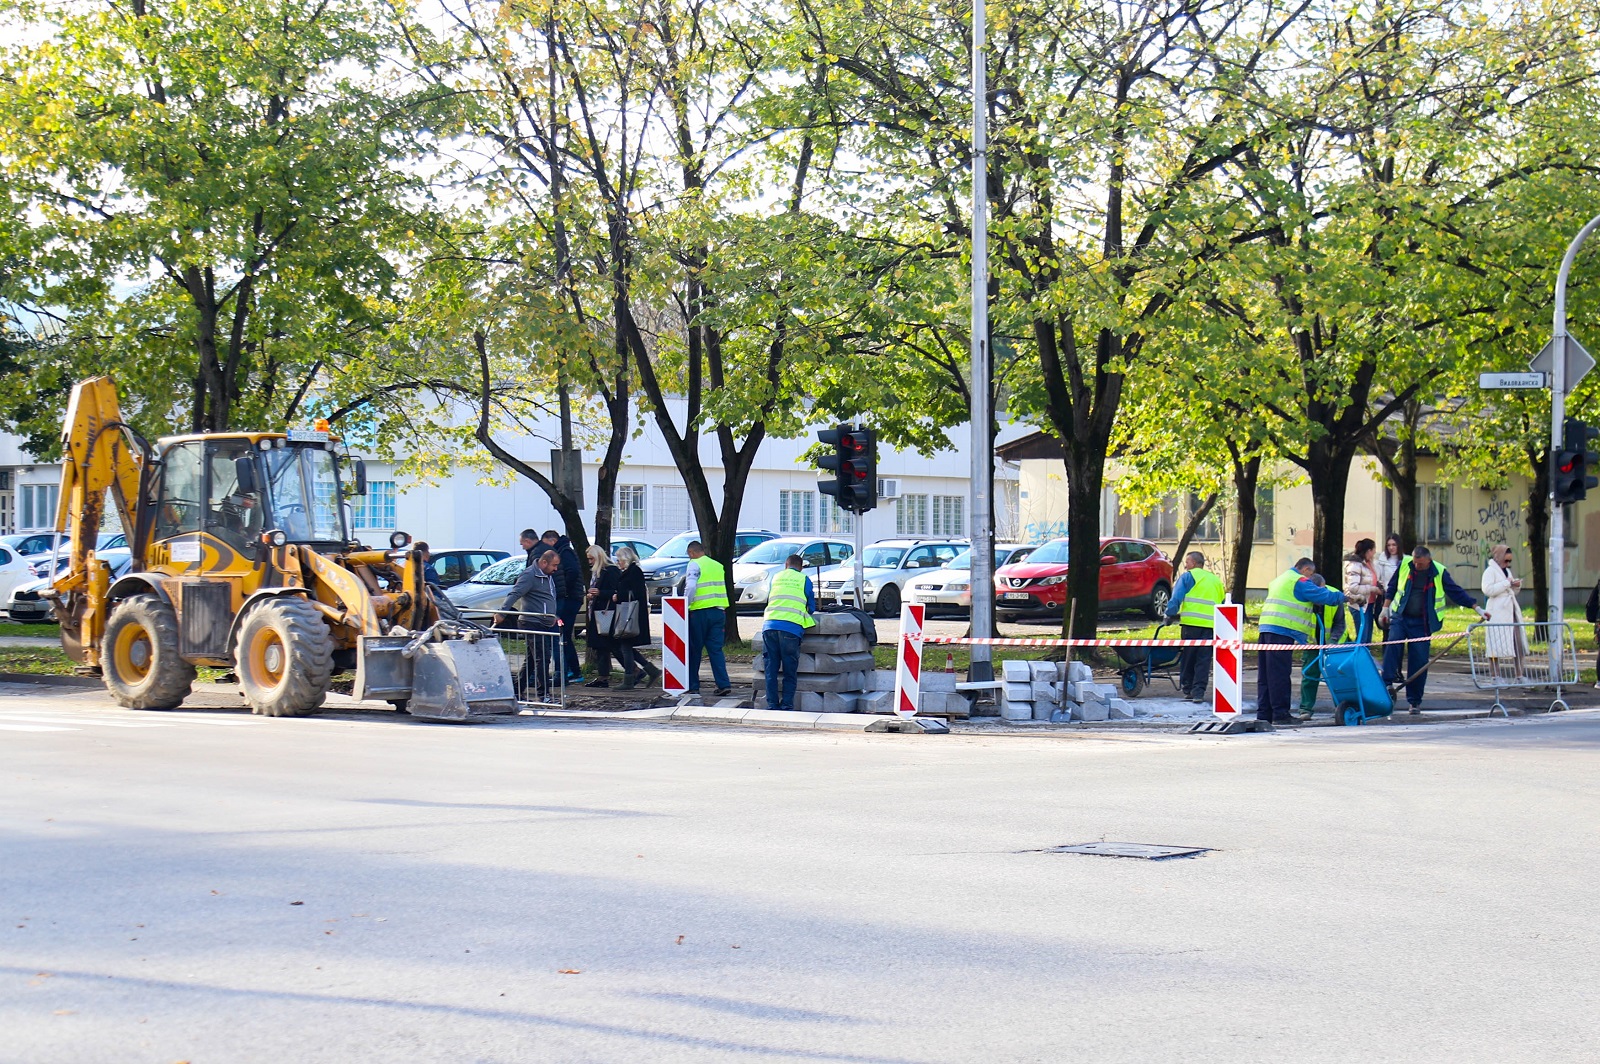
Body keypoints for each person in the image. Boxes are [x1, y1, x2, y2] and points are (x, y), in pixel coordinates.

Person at [1381, 545, 1488, 713]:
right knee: (1393, 645)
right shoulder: (1405, 564)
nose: (1417, 566)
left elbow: (1455, 592)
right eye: (1415, 563)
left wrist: (1476, 608)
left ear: (1429, 561)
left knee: (1419, 661)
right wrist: (1385, 609)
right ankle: (1385, 685)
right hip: (1401, 617)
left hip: (1422, 623)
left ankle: (1414, 702)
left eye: (1421, 564)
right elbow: (1393, 587)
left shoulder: (1439, 571)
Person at [1257, 558, 1347, 725]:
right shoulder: (1298, 580)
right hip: (1281, 631)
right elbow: (1320, 594)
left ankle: (1264, 713)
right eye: (1310, 574)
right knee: (1280, 674)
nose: (1310, 578)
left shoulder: (1281, 579)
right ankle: (1281, 713)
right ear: (1306, 569)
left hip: (1266, 628)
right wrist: (1345, 598)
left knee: (1266, 675)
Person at [497, 548, 560, 699]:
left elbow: (547, 597)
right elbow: (515, 593)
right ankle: (543, 694)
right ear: (544, 562)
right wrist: (502, 612)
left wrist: (553, 615)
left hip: (544, 621)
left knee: (532, 659)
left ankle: (517, 690)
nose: (556, 569)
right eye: (554, 565)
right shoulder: (530, 575)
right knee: (542, 658)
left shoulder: (546, 574)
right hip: (532, 622)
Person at [1163, 550, 1223, 702]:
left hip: (1191, 625)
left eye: (1187, 562)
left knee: (1189, 658)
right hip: (1210, 626)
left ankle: (1188, 688)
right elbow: (1222, 603)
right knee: (1203, 660)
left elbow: (1176, 597)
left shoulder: (1189, 577)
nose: (1185, 565)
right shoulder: (1215, 580)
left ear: (1194, 563)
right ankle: (1199, 692)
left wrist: (1169, 614)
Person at [761, 554, 816, 712]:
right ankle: (786, 705)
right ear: (801, 567)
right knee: (789, 670)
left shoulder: (776, 577)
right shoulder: (804, 579)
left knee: (771, 668)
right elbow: (811, 608)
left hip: (769, 626)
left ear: (786, 564)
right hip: (791, 629)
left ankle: (772, 704)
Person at [1297, 579, 1353, 720]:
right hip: (1312, 644)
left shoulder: (1334, 595)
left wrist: (1332, 642)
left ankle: (1342, 706)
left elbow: (1340, 624)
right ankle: (1306, 708)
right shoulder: (1302, 597)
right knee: (1310, 675)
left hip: (1335, 644)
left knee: (1338, 676)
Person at [683, 541, 733, 697]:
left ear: (691, 553)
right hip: (718, 612)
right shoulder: (717, 565)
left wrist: (684, 604)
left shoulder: (694, 564)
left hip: (699, 612)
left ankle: (693, 686)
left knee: (694, 650)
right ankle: (723, 684)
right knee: (716, 650)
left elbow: (691, 587)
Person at [610, 546, 661, 690]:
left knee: (625, 647)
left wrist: (618, 596)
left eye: (619, 560)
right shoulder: (632, 571)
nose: (618, 563)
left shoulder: (633, 572)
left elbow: (635, 593)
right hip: (631, 614)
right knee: (627, 647)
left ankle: (629, 679)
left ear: (625, 559)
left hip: (630, 615)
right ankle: (651, 670)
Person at [541, 529, 585, 684]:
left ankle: (571, 671)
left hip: (571, 598)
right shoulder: (565, 550)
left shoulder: (565, 552)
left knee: (562, 634)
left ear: (552, 540)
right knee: (564, 635)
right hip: (572, 597)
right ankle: (573, 670)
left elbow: (572, 572)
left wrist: (564, 589)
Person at [1480, 544, 1526, 681]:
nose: (1508, 564)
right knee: (1495, 644)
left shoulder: (1506, 572)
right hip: (1497, 612)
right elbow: (1488, 590)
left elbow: (1510, 589)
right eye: (1506, 561)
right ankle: (1495, 675)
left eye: (1510, 561)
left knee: (1518, 643)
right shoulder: (1490, 572)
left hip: (1510, 610)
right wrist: (1506, 583)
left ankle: (1520, 674)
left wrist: (1516, 585)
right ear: (1498, 557)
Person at [583, 544, 626, 687]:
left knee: (610, 645)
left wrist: (600, 593)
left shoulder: (610, 570)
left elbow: (616, 591)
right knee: (602, 646)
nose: (589, 562)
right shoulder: (599, 571)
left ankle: (631, 670)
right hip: (600, 611)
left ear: (598, 557)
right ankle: (603, 676)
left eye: (591, 559)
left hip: (607, 612)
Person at [1343, 538, 1382, 632]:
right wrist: (1373, 589)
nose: (1374, 554)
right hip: (1358, 604)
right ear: (1369, 551)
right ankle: (1358, 647)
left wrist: (1379, 585)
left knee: (1367, 637)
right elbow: (1353, 587)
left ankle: (1364, 647)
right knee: (1362, 636)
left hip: (1369, 603)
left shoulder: (1369, 563)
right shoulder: (1355, 565)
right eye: (1374, 551)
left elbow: (1370, 579)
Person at [1375, 534, 1403, 636]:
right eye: (1389, 545)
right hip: (1387, 596)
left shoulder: (1404, 560)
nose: (1391, 548)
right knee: (1386, 627)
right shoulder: (1382, 560)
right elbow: (1379, 578)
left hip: (1400, 597)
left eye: (1394, 545)